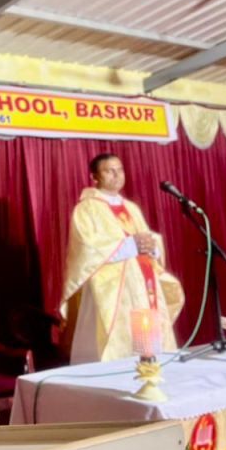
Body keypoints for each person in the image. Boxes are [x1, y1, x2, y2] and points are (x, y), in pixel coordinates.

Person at [61, 153, 185, 363]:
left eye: (120, 170)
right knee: (120, 345)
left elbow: (145, 238)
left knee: (149, 340)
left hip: (143, 280)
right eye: (109, 171)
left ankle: (152, 370)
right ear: (94, 177)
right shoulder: (86, 208)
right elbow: (86, 249)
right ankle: (122, 374)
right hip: (111, 288)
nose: (117, 175)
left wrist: (152, 246)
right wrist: (131, 245)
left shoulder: (131, 207)